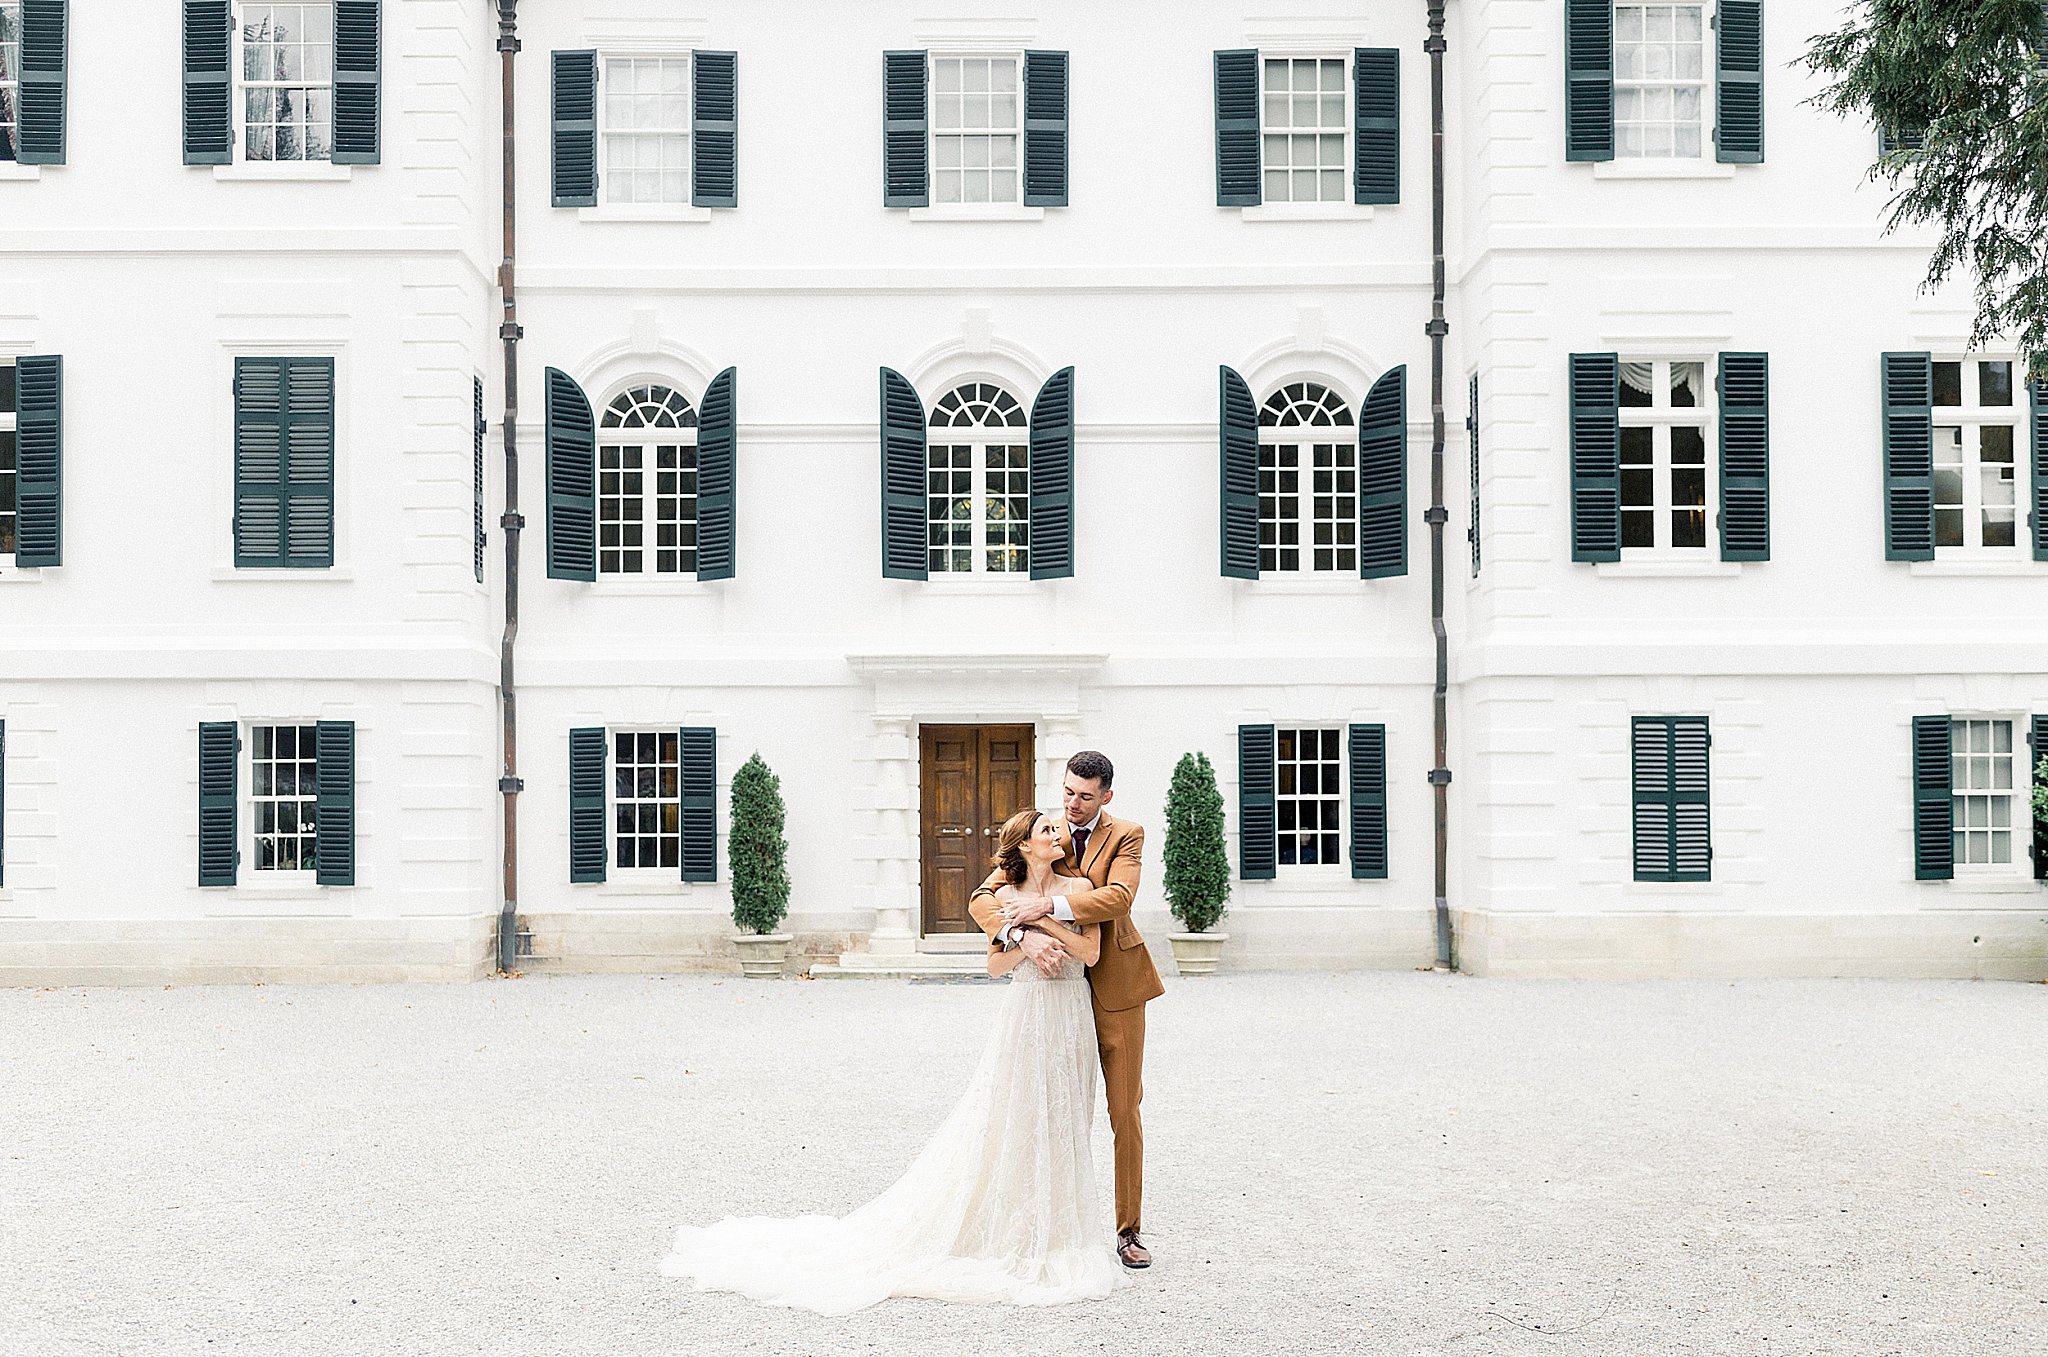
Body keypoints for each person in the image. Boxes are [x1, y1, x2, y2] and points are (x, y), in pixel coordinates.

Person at [658, 809, 1126, 1315]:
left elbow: (1091, 953)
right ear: (1026, 847)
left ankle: (1061, 1232)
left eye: (1058, 828)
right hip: (1028, 1014)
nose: (1059, 834)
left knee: (1067, 1119)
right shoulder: (1003, 897)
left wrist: (1044, 918)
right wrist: (1023, 943)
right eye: (1047, 831)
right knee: (1017, 1119)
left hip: (1071, 1015)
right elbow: (993, 965)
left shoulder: (1077, 887)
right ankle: (1016, 1228)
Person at [969, 750, 1164, 1270]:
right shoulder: (1045, 832)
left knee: (1124, 1109)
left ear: (1106, 796)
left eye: (1084, 796)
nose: (1073, 806)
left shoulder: (1127, 833)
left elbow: (1118, 897)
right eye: (1068, 793)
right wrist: (1018, 935)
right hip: (1055, 992)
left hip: (1116, 987)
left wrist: (1046, 908)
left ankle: (1128, 1231)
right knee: (1048, 1109)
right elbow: (983, 900)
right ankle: (1048, 1222)